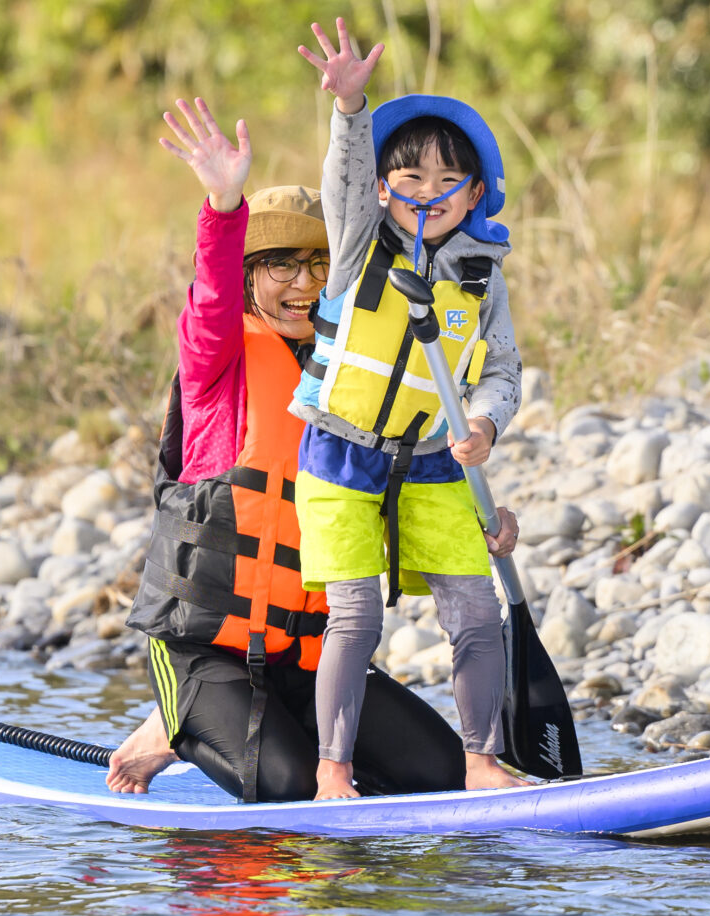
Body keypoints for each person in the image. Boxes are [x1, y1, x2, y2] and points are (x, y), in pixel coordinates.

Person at [111, 96, 468, 802]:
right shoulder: (218, 361)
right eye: (280, 265)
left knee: (443, 773)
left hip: (307, 657)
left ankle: (233, 727)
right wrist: (223, 201)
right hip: (205, 647)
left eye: (318, 265)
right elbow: (209, 296)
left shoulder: (351, 378)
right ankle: (173, 718)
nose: (303, 285)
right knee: (286, 787)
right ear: (250, 274)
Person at [292, 19, 526, 799]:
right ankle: (333, 773)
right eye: (411, 179)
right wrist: (351, 108)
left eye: (445, 181)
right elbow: (346, 179)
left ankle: (482, 761)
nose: (428, 195)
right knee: (355, 619)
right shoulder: (359, 240)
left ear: (477, 192)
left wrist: (487, 422)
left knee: (477, 614)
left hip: (433, 458)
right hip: (339, 450)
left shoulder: (482, 277)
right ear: (387, 187)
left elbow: (502, 367)